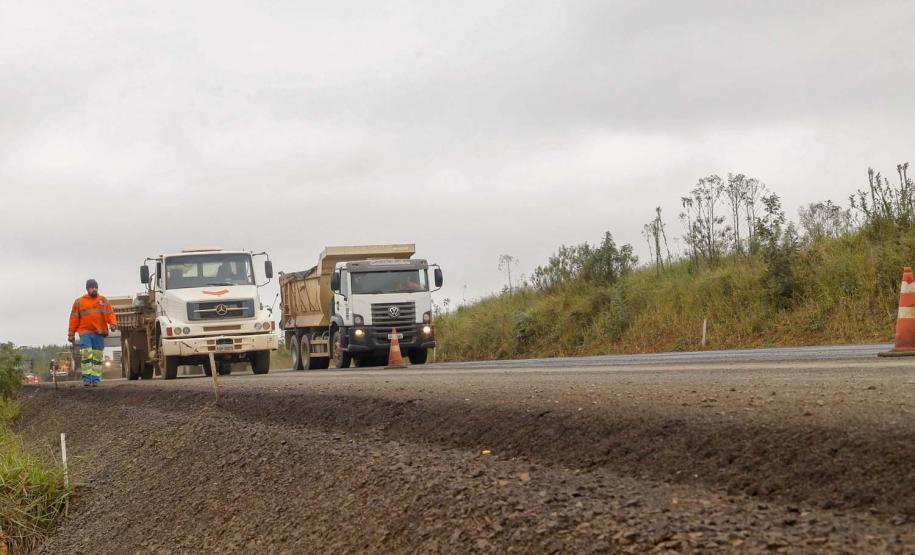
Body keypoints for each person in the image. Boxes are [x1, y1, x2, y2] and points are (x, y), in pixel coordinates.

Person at [68, 279, 117, 387]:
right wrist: (71, 334)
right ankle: (86, 378)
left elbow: (110, 314)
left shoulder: (103, 301)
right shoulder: (79, 302)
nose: (94, 289)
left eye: (95, 287)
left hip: (99, 332)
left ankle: (95, 379)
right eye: (92, 287)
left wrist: (113, 323)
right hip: (85, 332)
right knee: (86, 354)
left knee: (97, 356)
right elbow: (74, 318)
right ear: (87, 289)